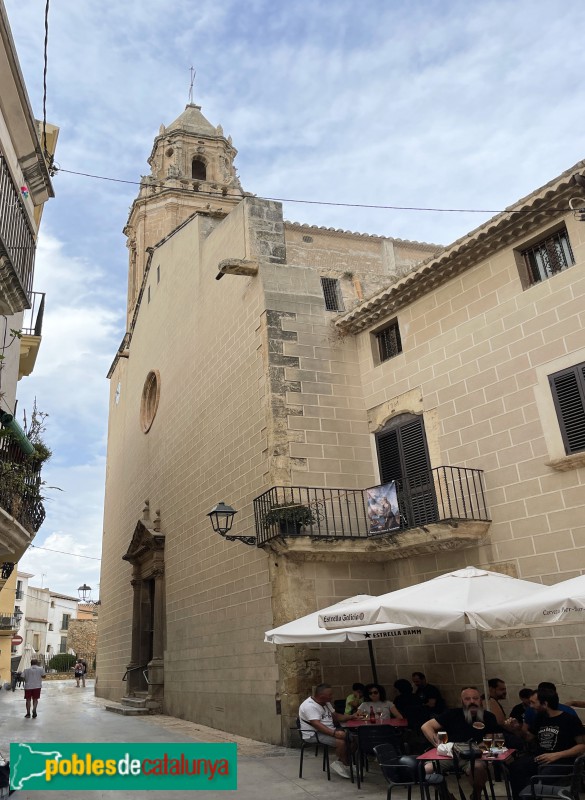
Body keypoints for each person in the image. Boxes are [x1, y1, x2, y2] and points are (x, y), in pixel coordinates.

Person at [422, 686, 501, 800]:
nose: (472, 702)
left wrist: (478, 749)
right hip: (451, 754)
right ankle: (446, 795)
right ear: (462, 701)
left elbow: (489, 740)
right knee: (428, 769)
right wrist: (438, 745)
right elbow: (426, 726)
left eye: (475, 698)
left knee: (478, 768)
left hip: (474, 754)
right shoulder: (451, 714)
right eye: (467, 699)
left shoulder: (488, 717)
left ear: (480, 700)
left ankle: (476, 795)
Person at [506, 689, 585, 800]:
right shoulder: (540, 718)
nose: (531, 706)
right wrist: (517, 729)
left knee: (542, 775)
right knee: (516, 767)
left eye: (533, 703)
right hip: (541, 757)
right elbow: (529, 737)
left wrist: (556, 755)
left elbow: (582, 746)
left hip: (563, 759)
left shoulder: (570, 720)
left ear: (545, 704)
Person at [299, 683, 357, 779]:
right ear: (322, 697)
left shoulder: (326, 703)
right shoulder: (309, 706)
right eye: (330, 695)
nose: (332, 697)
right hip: (314, 734)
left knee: (354, 739)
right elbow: (317, 724)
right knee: (341, 742)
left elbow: (336, 717)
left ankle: (340, 762)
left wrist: (351, 716)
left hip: (329, 730)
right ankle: (346, 764)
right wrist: (335, 733)